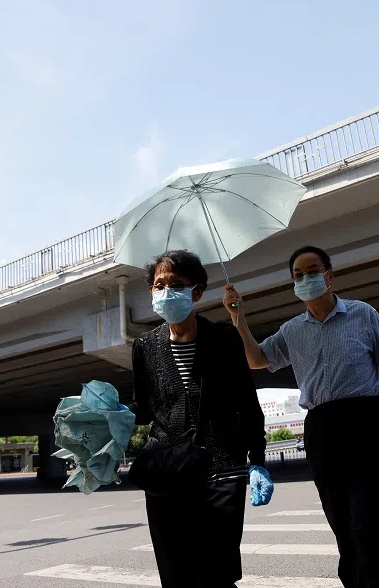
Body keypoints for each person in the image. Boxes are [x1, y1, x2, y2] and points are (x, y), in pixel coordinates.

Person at [223, 245, 379, 588]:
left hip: (365, 421)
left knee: (367, 520)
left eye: (312, 271)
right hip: (321, 428)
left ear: (330, 276)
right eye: (298, 275)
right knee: (341, 521)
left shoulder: (363, 314)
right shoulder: (291, 330)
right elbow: (256, 359)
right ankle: (353, 581)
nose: (305, 279)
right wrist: (238, 318)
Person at [130, 249, 272, 588]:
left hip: (222, 470)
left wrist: (258, 460)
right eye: (158, 285)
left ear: (196, 292)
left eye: (175, 284)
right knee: (175, 573)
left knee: (217, 573)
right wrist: (107, 417)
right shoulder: (144, 346)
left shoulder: (224, 339)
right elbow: (144, 411)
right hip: (167, 471)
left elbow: (246, 403)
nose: (165, 292)